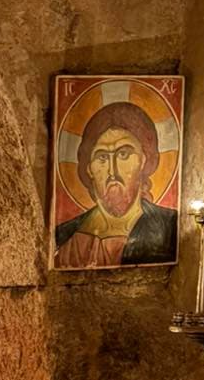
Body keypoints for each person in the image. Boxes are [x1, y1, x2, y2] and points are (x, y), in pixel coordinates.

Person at [55, 101, 178, 269]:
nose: (112, 171)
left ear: (143, 160)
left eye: (123, 154)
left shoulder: (169, 226)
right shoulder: (65, 236)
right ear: (89, 168)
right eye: (102, 157)